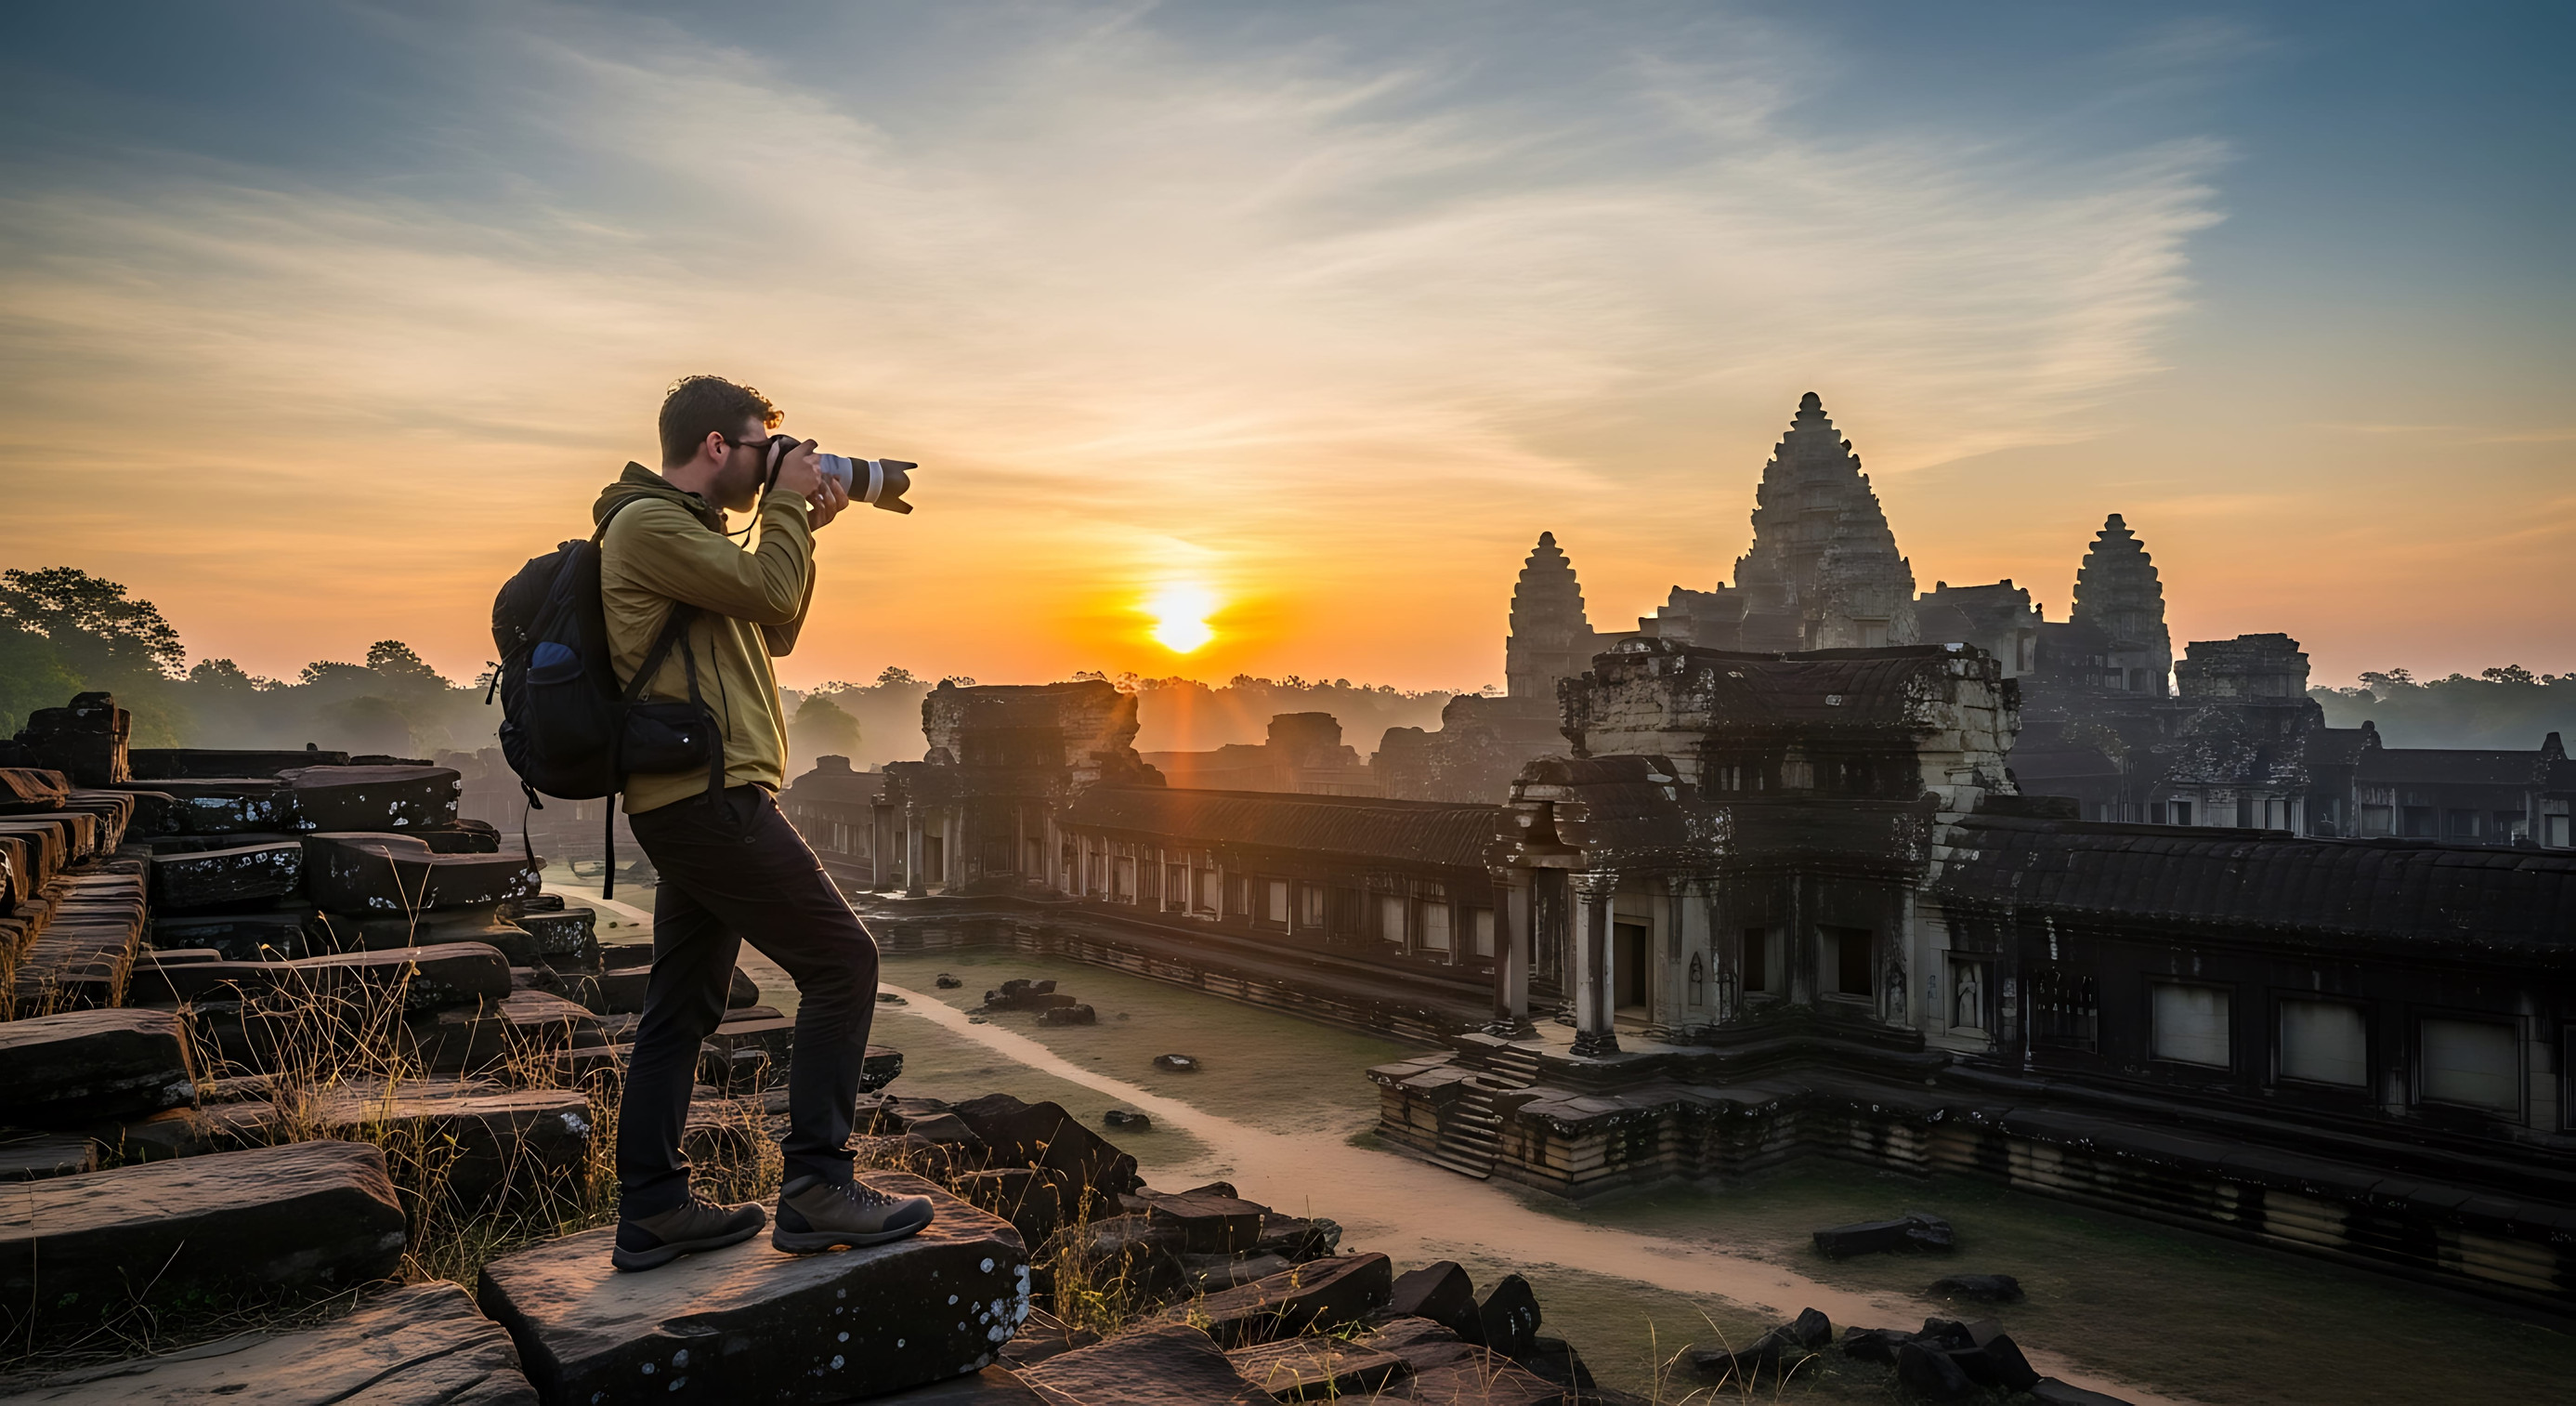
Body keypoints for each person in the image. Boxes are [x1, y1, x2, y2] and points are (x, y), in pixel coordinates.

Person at [595, 374, 933, 1272]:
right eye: (761, 447)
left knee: (682, 1004)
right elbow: (774, 601)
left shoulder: (689, 534)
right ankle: (819, 1184)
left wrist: (801, 526)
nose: (772, 464)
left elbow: (771, 625)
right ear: (717, 447)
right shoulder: (649, 524)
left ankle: (655, 1209)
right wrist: (782, 509)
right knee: (843, 960)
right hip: (710, 799)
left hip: (698, 798)